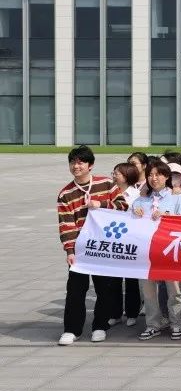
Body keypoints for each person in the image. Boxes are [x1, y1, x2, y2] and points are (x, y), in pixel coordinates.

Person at [57, 146, 129, 346]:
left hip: (102, 246)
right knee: (75, 290)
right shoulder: (66, 193)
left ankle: (100, 326)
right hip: (80, 249)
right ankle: (72, 329)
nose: (76, 166)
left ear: (91, 165)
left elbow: (124, 206)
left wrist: (101, 205)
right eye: (73, 162)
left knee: (104, 288)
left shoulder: (106, 184)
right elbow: (66, 225)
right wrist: (70, 250)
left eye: (80, 162)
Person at [131, 161, 181, 341]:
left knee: (174, 288)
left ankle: (176, 322)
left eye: (158, 174)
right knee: (148, 290)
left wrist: (168, 216)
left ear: (166, 177)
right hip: (146, 252)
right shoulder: (141, 200)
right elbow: (129, 223)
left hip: (170, 250)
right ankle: (153, 324)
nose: (154, 178)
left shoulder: (178, 198)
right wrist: (134, 212)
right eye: (150, 175)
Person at [109, 162, 143, 329]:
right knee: (113, 280)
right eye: (114, 173)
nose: (114, 176)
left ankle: (132, 313)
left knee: (131, 280)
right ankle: (115, 313)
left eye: (118, 173)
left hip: (130, 241)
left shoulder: (137, 195)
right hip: (113, 241)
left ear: (127, 176)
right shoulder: (109, 192)